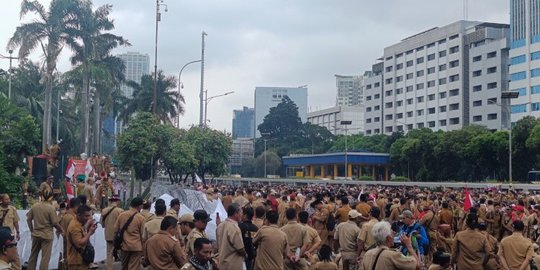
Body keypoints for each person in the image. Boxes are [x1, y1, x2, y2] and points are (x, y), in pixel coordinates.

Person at [26, 191, 64, 270]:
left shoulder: (35, 206)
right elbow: (55, 223)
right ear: (51, 198)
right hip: (47, 235)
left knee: (33, 256)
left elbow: (28, 219)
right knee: (45, 258)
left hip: (36, 234)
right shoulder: (51, 208)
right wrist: (62, 230)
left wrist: (32, 231)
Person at [114, 197, 145, 270]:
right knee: (133, 267)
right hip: (136, 247)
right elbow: (142, 235)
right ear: (140, 206)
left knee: (124, 266)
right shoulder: (141, 218)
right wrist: (143, 249)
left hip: (124, 246)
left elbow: (115, 229)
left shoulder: (122, 215)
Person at [66, 204, 97, 270]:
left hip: (82, 260)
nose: (89, 218)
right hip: (76, 261)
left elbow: (84, 236)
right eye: (86, 216)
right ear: (79, 215)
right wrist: (90, 232)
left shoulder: (81, 223)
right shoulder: (74, 227)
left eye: (90, 215)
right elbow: (80, 243)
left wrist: (89, 228)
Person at [216, 203, 246, 270]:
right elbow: (240, 248)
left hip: (222, 263)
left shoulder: (220, 226)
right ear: (235, 213)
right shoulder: (234, 228)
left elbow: (217, 246)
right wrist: (245, 255)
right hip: (233, 264)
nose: (242, 215)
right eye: (241, 212)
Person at [100, 195, 123, 270]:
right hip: (118, 236)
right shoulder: (120, 211)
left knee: (109, 253)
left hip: (108, 234)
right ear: (118, 201)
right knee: (121, 252)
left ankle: (109, 268)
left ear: (110, 201)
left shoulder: (104, 211)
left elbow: (102, 224)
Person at [0, 195, 20, 270]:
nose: (8, 200)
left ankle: (17, 268)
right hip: (1, 236)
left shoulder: (12, 209)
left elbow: (16, 222)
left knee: (14, 255)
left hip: (10, 236)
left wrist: (18, 232)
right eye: (6, 199)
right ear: (1, 200)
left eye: (9, 199)